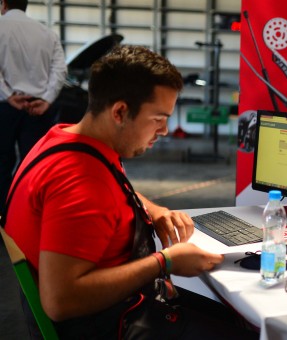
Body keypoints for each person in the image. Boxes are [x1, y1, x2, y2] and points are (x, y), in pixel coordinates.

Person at [3, 46, 254, 339]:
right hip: (107, 326)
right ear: (120, 112)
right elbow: (61, 302)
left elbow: (116, 187)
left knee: (234, 316)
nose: (164, 131)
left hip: (121, 307)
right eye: (158, 118)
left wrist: (154, 210)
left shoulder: (68, 141)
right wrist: (165, 262)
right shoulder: (80, 183)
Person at [0, 0, 67, 203]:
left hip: (5, 107)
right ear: (25, 5)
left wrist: (8, 95)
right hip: (38, 109)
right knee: (35, 165)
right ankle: (26, 210)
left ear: (3, 4)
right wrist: (46, 100)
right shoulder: (47, 33)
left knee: (1, 164)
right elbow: (60, 70)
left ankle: (3, 214)